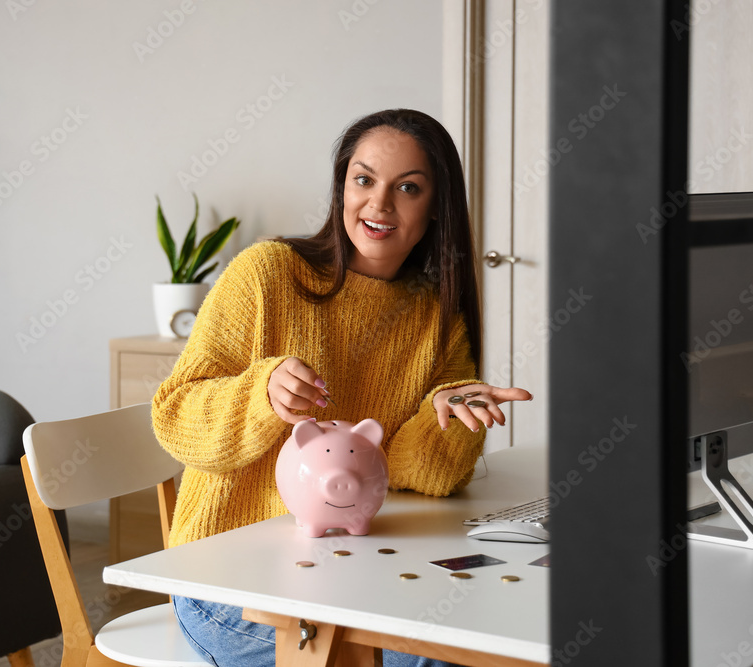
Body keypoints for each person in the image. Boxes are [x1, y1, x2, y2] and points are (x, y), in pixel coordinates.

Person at [151, 108, 533, 667]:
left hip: (358, 573)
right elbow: (174, 418)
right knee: (432, 657)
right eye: (364, 180)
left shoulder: (435, 313)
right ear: (341, 187)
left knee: (486, 632)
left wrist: (443, 419)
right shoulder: (267, 273)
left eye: (407, 188)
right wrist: (261, 397)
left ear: (435, 209)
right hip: (228, 584)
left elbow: (416, 476)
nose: (378, 205)